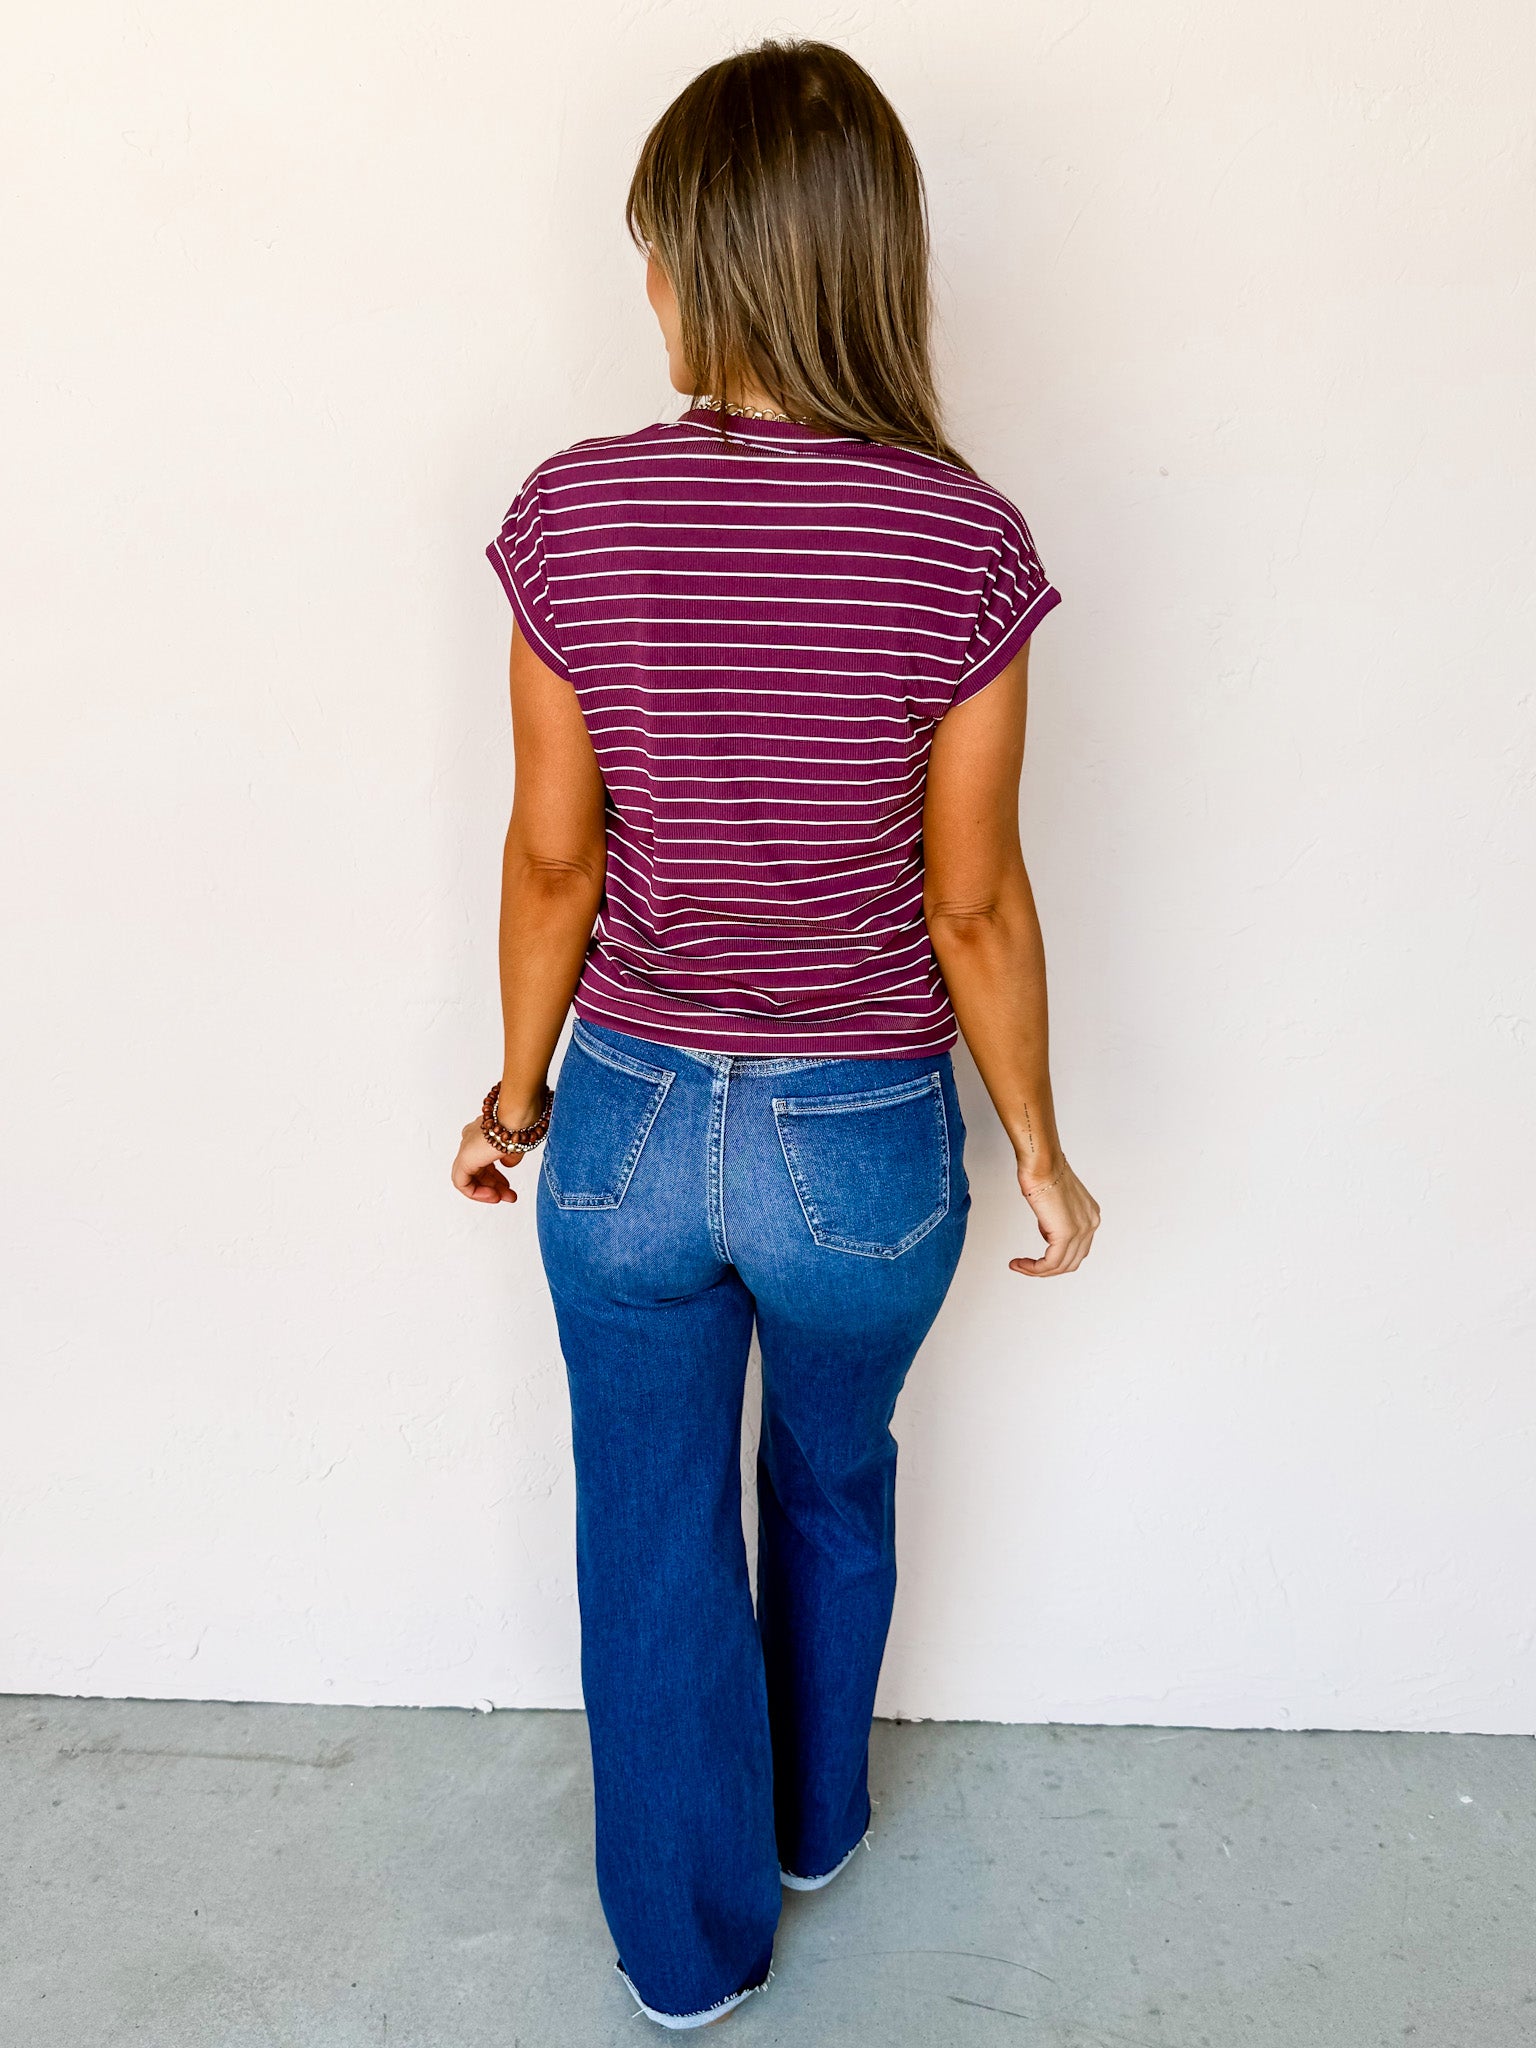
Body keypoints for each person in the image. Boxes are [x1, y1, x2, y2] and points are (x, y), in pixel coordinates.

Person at [450, 37, 1101, 2030]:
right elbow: (969, 898)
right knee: (832, 1474)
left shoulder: (572, 518)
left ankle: (687, 1947)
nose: (643, 290)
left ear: (714, 272)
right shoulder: (961, 543)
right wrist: (1048, 1150)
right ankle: (815, 1818)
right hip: (863, 1146)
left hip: (633, 1126)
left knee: (647, 1528)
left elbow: (554, 864)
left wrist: (516, 1092)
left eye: (655, 254)